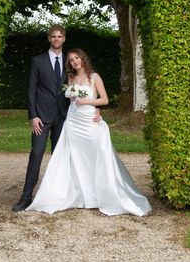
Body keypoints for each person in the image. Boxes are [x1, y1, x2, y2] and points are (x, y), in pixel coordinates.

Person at [25, 48, 151, 216]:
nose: (75, 61)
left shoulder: (94, 77)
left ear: (83, 58)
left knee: (94, 156)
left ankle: (100, 195)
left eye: (77, 58)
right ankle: (80, 195)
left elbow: (105, 99)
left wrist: (90, 103)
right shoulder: (70, 78)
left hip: (89, 121)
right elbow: (67, 98)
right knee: (75, 158)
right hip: (73, 121)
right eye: (71, 60)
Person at [12, 25, 70, 212]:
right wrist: (33, 116)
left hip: (63, 116)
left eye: (59, 36)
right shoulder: (38, 61)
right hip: (42, 118)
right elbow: (31, 90)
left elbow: (81, 86)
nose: (56, 39)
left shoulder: (70, 62)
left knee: (59, 157)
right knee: (36, 154)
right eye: (53, 36)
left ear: (64, 39)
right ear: (49, 38)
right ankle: (26, 197)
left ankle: (58, 196)